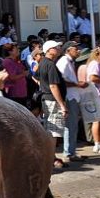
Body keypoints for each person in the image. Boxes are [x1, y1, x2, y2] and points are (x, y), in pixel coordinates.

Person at [37, 40, 68, 168]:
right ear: (49, 50)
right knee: (53, 130)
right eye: (56, 47)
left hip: (47, 98)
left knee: (51, 128)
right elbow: (53, 85)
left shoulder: (43, 63)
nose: (58, 48)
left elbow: (37, 78)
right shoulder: (50, 65)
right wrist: (62, 104)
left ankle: (51, 156)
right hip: (52, 100)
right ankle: (51, 157)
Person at [55, 41, 87, 162]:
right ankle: (69, 153)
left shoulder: (69, 62)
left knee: (72, 125)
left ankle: (71, 151)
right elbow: (60, 81)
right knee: (71, 125)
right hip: (69, 97)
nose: (78, 51)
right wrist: (77, 84)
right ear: (68, 50)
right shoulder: (63, 61)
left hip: (73, 96)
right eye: (75, 48)